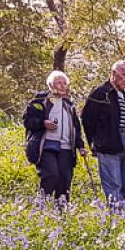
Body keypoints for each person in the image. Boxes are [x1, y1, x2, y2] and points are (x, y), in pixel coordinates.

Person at [22, 70, 85, 204]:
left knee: (65, 179)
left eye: (65, 83)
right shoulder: (40, 100)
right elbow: (27, 121)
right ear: (51, 85)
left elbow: (76, 127)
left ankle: (61, 212)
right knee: (51, 175)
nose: (63, 86)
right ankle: (41, 205)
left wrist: (80, 146)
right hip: (46, 145)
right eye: (59, 83)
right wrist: (43, 123)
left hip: (66, 147)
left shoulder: (69, 104)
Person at [81, 60, 125, 206]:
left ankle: (124, 217)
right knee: (114, 183)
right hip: (108, 143)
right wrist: (94, 142)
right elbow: (87, 118)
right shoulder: (101, 93)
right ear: (114, 73)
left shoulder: (122, 95)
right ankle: (115, 217)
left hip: (124, 142)